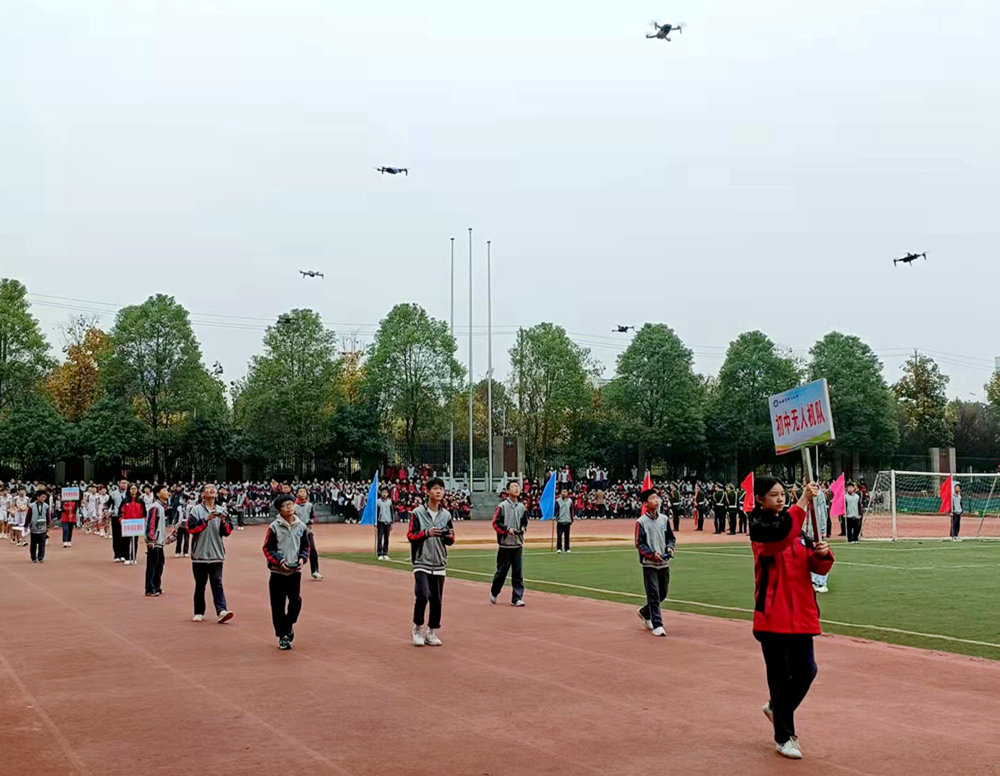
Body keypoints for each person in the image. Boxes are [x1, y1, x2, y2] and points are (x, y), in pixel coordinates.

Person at [750, 476, 834, 760]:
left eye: (783, 494)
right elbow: (779, 540)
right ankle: (784, 737)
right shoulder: (760, 527)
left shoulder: (796, 527)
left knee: (807, 670)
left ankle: (776, 709)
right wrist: (802, 502)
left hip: (801, 613)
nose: (781, 498)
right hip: (773, 615)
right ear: (759, 499)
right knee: (779, 676)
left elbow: (815, 566)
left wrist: (822, 554)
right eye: (773, 494)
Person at [407, 477, 455, 646]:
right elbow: (411, 536)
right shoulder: (417, 513)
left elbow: (451, 538)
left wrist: (449, 537)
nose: (438, 491)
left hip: (439, 562)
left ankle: (432, 631)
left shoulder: (446, 514)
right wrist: (426, 533)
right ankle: (418, 628)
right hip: (422, 561)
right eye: (435, 488)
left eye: (441, 489)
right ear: (427, 492)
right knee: (422, 595)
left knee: (437, 600)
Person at [263, 493, 311, 650]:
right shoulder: (274, 527)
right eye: (285, 505)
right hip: (278, 572)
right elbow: (267, 548)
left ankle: (289, 624)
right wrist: (279, 561)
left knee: (296, 601)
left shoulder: (301, 526)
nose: (289, 507)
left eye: (291, 503)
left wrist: (303, 559)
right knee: (277, 606)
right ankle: (283, 636)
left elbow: (306, 546)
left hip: (294, 572)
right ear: (279, 510)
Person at [187, 483, 234, 624]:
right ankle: (199, 612)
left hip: (216, 553)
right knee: (200, 584)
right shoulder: (195, 510)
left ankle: (221, 610)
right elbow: (191, 528)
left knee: (217, 583)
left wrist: (224, 521)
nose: (212, 490)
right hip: (199, 554)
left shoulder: (222, 510)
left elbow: (227, 531)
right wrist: (205, 520)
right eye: (208, 488)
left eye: (214, 488)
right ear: (202, 494)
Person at [634, 488, 676, 637]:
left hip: (664, 563)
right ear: (645, 503)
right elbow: (639, 544)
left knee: (663, 593)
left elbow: (671, 538)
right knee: (653, 593)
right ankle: (657, 624)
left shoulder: (664, 519)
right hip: (649, 564)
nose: (656, 500)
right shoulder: (641, 522)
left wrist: (670, 548)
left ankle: (645, 612)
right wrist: (652, 555)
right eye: (652, 498)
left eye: (657, 498)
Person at [490, 480, 528, 606]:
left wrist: (522, 528)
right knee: (502, 571)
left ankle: (517, 597)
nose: (516, 489)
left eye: (517, 486)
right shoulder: (502, 506)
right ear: (507, 491)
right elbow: (496, 523)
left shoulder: (522, 507)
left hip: (517, 543)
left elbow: (524, 521)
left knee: (518, 572)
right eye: (513, 487)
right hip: (505, 544)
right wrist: (506, 530)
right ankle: (495, 591)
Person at [294, 486, 324, 580]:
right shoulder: (294, 506)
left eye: (304, 492)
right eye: (300, 492)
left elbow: (313, 516)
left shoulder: (309, 505)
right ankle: (293, 569)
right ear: (297, 494)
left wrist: (310, 521)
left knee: (313, 549)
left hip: (307, 530)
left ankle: (314, 571)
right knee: (295, 550)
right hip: (296, 531)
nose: (302, 494)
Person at [144, 484, 169, 597]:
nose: (167, 492)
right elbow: (151, 523)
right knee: (152, 565)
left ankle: (156, 585)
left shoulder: (161, 507)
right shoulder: (155, 507)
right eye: (164, 490)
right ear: (158, 494)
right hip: (154, 541)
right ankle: (149, 588)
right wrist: (151, 539)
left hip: (159, 541)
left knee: (159, 563)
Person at [119, 484, 145, 565]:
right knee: (126, 541)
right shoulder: (125, 500)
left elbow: (144, 513)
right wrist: (121, 520)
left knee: (135, 541)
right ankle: (127, 557)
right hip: (127, 524)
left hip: (137, 524)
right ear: (129, 490)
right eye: (132, 489)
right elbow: (120, 512)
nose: (133, 490)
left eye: (135, 489)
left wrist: (143, 520)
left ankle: (133, 557)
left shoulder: (141, 501)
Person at [26, 488, 51, 563]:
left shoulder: (46, 506)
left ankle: (41, 557)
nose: (44, 498)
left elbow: (48, 516)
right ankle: (33, 557)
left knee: (42, 543)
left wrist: (48, 525)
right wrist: (26, 524)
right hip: (34, 526)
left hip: (43, 526)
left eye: (45, 497)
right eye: (42, 497)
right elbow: (28, 515)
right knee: (33, 543)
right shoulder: (32, 506)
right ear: (38, 497)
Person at [376, 487, 394, 560]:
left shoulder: (390, 502)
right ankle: (379, 553)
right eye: (383, 492)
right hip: (381, 522)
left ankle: (385, 552)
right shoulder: (378, 502)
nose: (384, 494)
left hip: (388, 521)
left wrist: (392, 522)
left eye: (386, 492)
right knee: (380, 538)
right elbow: (376, 513)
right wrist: (375, 522)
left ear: (388, 494)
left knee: (386, 538)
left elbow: (392, 512)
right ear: (381, 493)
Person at [555, 488, 574, 553]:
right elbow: (556, 510)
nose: (564, 493)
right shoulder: (558, 501)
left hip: (567, 520)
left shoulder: (570, 501)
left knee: (567, 536)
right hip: (560, 520)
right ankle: (559, 548)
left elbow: (571, 510)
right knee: (559, 535)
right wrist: (556, 517)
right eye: (563, 492)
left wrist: (571, 519)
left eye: (565, 492)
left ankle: (567, 548)